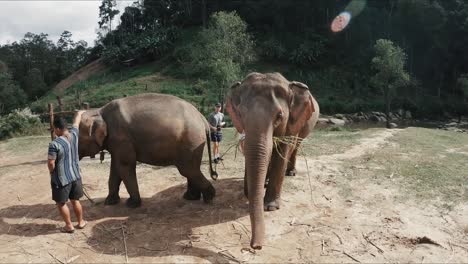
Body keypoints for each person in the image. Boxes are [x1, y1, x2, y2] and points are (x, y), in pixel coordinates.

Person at [47, 110, 87, 233]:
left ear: (58, 129)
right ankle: (81, 222)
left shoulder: (54, 144)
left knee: (61, 203)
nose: (54, 131)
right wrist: (80, 113)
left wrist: (52, 172)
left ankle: (69, 226)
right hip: (75, 176)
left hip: (61, 179)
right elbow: (76, 123)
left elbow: (51, 163)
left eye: (54, 129)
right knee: (76, 201)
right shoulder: (74, 135)